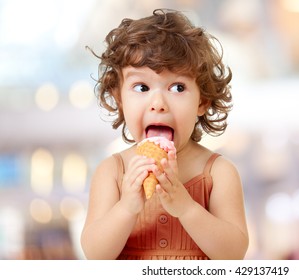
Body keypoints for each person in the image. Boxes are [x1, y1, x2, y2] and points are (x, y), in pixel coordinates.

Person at [80, 9, 249, 260]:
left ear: (202, 101)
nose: (158, 103)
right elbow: (95, 253)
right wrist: (127, 207)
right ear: (120, 99)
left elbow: (234, 254)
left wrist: (186, 208)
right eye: (142, 87)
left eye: (177, 87)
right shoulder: (112, 172)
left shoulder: (218, 172)